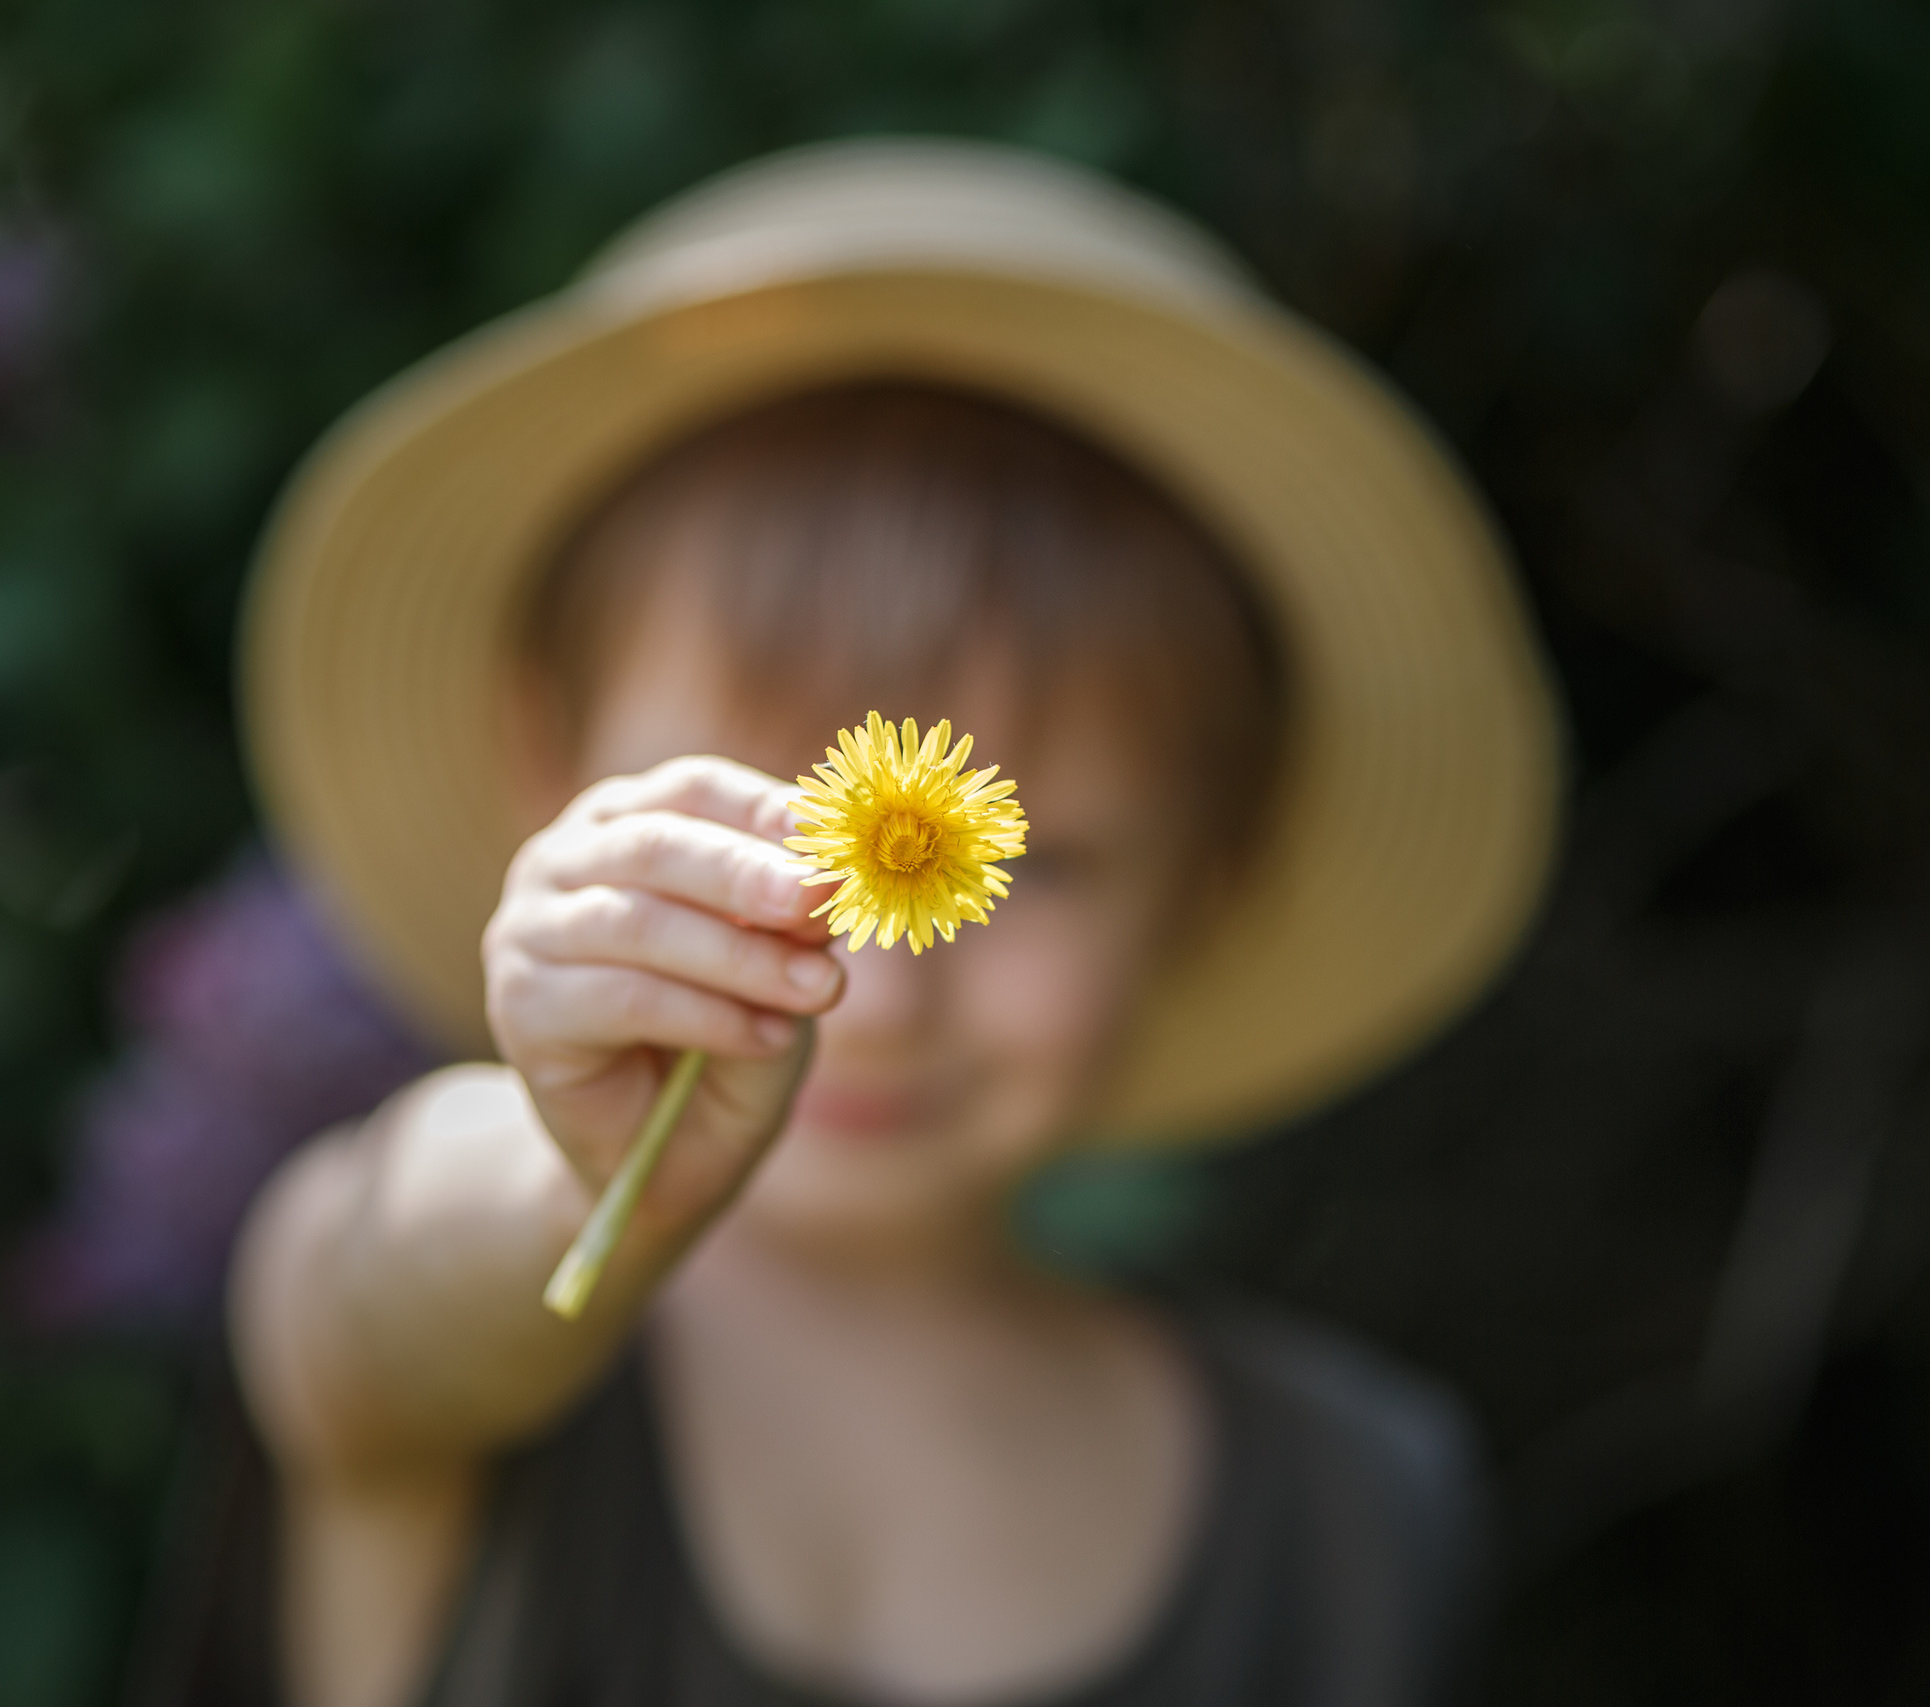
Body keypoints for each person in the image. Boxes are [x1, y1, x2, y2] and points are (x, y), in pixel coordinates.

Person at [229, 140, 1561, 1707]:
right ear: (549, 766)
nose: (872, 990)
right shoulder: (458, 1366)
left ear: (1213, 878)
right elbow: (365, 1296)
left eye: (1041, 865)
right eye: (759, 825)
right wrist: (566, 1174)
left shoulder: (1355, 1510)